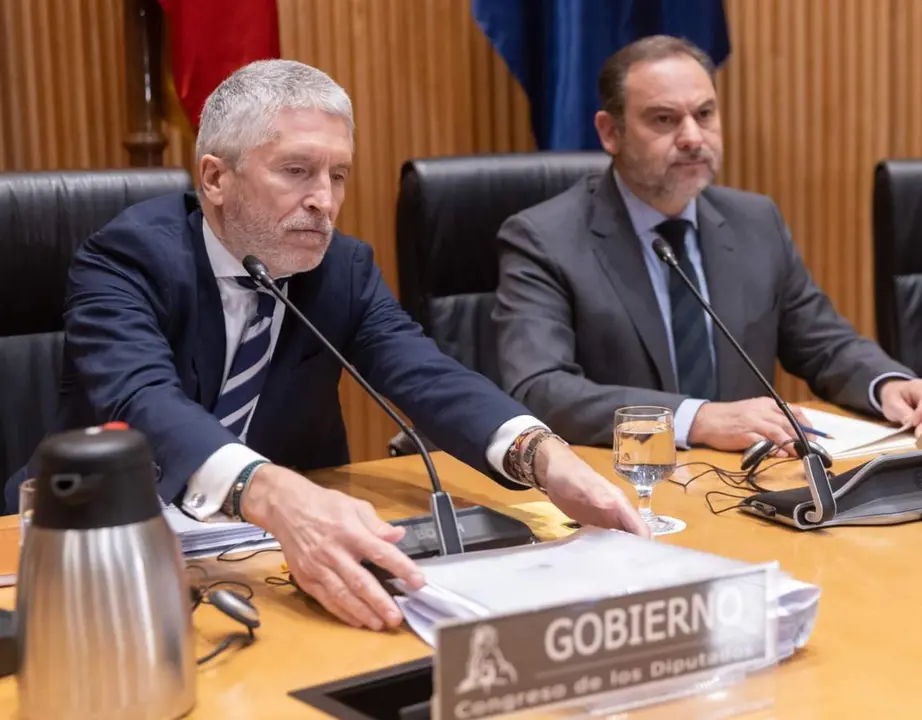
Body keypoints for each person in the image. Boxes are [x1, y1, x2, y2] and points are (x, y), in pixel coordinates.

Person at [5, 59, 648, 631]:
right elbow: (140, 398)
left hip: (274, 558)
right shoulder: (126, 260)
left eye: (338, 175)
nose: (325, 201)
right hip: (92, 549)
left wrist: (542, 456)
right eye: (297, 171)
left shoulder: (342, 268)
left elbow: (422, 372)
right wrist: (274, 495)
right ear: (215, 177)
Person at [492, 35, 922, 453]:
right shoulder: (544, 238)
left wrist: (886, 384)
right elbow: (540, 387)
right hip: (623, 488)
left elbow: (823, 344)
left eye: (704, 114)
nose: (692, 137)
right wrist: (696, 419)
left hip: (748, 485)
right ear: (610, 132)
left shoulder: (754, 220)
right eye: (664, 119)